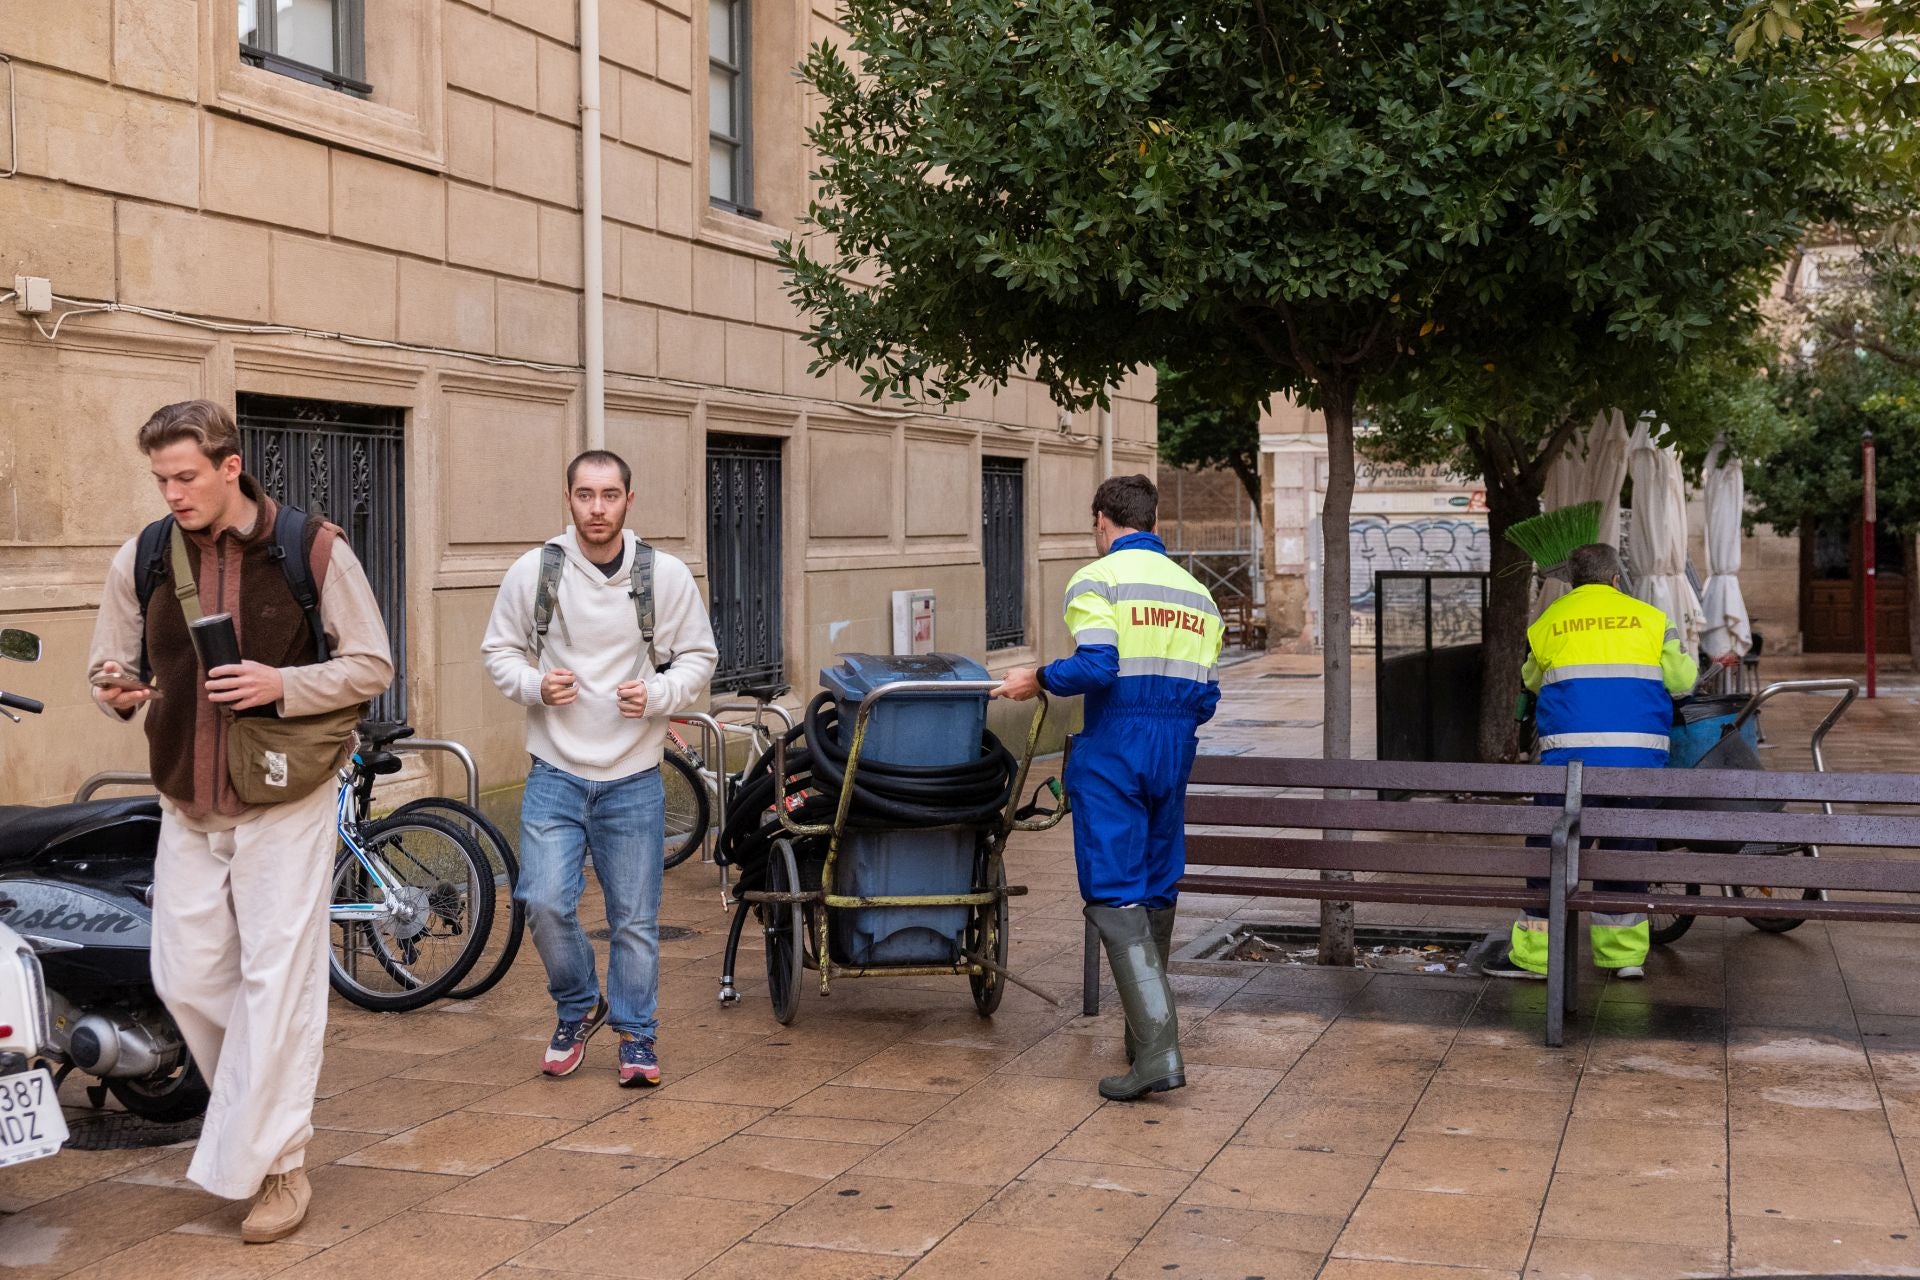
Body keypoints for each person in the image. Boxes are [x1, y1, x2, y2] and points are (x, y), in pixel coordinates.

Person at [88, 399, 393, 1242]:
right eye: (161, 478)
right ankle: (256, 1128)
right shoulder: (144, 555)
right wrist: (114, 689)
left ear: (231, 466)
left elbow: (372, 663)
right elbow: (108, 665)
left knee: (277, 982)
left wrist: (281, 685)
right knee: (185, 976)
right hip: (185, 799)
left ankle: (282, 1162)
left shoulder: (311, 548)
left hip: (285, 798)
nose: (172, 493)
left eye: (185, 476)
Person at [482, 449, 716, 1087]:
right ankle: (580, 1004)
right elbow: (499, 650)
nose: (597, 508)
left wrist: (660, 695)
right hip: (554, 771)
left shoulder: (663, 575)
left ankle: (637, 1034)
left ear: (628, 501)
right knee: (542, 901)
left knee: (634, 920)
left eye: (609, 495)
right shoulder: (536, 571)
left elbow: (698, 655)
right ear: (569, 498)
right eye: (585, 494)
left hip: (634, 776)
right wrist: (534, 685)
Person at [995, 473, 1222, 1101]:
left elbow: (1097, 665)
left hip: (1116, 744)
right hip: (1173, 747)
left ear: (1102, 521)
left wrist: (1037, 678)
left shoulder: (1098, 579)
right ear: (1154, 522)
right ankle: (1143, 1041)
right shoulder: (1198, 593)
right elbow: (1208, 695)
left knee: (1113, 891)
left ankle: (1159, 1052)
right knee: (1156, 884)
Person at [1486, 542, 1698, 981]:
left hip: (1568, 764)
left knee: (1551, 856)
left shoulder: (1549, 622)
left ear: (1573, 581)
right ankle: (1624, 957)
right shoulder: (1652, 619)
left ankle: (1536, 959)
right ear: (1616, 579)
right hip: (1637, 762)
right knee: (1626, 853)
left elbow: (1532, 680)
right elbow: (1683, 681)